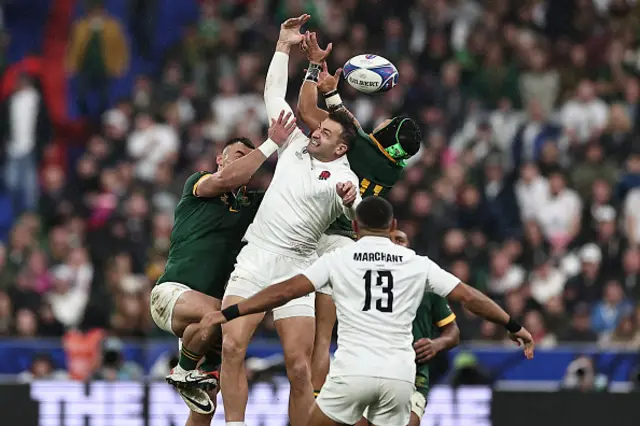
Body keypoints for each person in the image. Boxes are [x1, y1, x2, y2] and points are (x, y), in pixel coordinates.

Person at [204, 197, 534, 426]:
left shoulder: (338, 259)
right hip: (399, 376)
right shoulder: (417, 263)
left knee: (306, 423)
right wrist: (512, 323)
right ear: (393, 226)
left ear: (356, 228)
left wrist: (233, 311)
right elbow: (469, 297)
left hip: (353, 371)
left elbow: (286, 291)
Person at [213, 15, 361, 426]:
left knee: (298, 368)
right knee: (231, 348)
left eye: (326, 133)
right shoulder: (294, 141)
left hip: (298, 268)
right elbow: (273, 93)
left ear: (341, 146)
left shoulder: (346, 177)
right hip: (257, 257)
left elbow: (361, 214)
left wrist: (351, 203)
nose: (316, 133)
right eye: (318, 129)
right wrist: (282, 46)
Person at [297, 31, 423, 398]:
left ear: (386, 138)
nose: (380, 125)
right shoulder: (389, 167)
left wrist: (317, 70)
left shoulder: (359, 147)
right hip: (343, 247)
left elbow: (309, 111)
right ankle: (318, 401)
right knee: (324, 337)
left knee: (306, 331)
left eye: (386, 126)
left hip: (315, 234)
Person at [149, 111, 297, 422]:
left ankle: (189, 370)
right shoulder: (199, 186)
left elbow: (291, 198)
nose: (244, 161)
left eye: (248, 156)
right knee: (228, 314)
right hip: (172, 294)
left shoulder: (254, 206)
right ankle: (183, 369)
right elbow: (228, 179)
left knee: (205, 409)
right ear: (220, 159)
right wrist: (271, 143)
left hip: (203, 323)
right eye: (238, 155)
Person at [391, 230, 461, 426]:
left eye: (401, 240)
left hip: (415, 374)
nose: (396, 245)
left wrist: (437, 344)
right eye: (391, 240)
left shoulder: (426, 282)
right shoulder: (366, 280)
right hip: (375, 368)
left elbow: (453, 332)